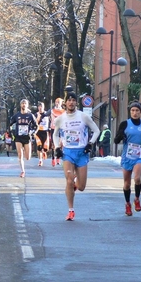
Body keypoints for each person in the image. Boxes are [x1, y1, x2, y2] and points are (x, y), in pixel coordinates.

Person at [53, 92, 100, 221]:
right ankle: (71, 210)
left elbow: (96, 130)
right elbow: (55, 134)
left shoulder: (83, 116)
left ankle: (74, 186)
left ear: (76, 103)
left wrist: (90, 144)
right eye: (69, 100)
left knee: (81, 187)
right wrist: (57, 147)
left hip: (82, 153)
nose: (71, 102)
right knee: (69, 180)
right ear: (65, 103)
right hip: (68, 152)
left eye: (73, 100)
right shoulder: (60, 119)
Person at [114, 101, 141, 216]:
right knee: (127, 184)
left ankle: (137, 199)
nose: (134, 113)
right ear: (130, 112)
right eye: (132, 111)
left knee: (137, 178)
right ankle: (128, 203)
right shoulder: (125, 124)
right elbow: (116, 140)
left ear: (140, 112)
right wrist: (120, 136)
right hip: (127, 156)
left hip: (140, 155)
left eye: (137, 111)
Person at [10, 99, 38, 177]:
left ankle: (25, 152)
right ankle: (22, 171)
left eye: (25, 103)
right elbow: (10, 124)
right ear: (20, 105)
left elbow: (36, 126)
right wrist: (12, 132)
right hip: (18, 137)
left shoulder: (30, 115)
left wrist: (33, 132)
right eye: (22, 103)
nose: (23, 105)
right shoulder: (16, 115)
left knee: (28, 157)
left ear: (27, 105)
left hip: (27, 137)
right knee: (20, 154)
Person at [50, 97, 65, 166]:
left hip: (60, 129)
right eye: (56, 102)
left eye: (58, 102)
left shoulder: (64, 112)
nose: (57, 103)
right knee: (53, 144)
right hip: (53, 128)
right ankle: (53, 158)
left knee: (60, 144)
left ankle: (58, 158)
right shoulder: (52, 111)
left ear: (61, 103)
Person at [35, 102, 50, 166]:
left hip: (45, 132)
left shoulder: (47, 114)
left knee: (45, 148)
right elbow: (34, 123)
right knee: (39, 147)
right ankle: (40, 160)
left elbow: (52, 120)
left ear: (43, 107)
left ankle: (44, 151)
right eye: (39, 106)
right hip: (38, 132)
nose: (40, 108)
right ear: (38, 107)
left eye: (41, 106)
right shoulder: (36, 114)